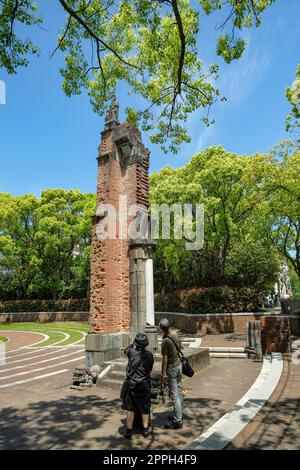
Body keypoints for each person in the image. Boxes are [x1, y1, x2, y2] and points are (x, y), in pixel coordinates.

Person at [121, 333, 154, 440]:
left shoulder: (131, 352)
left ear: (136, 343)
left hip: (132, 384)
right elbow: (150, 369)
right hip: (144, 384)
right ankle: (145, 431)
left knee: (130, 409)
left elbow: (125, 350)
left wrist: (132, 344)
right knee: (145, 408)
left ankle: (129, 431)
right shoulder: (149, 355)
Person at [159, 318, 183, 429]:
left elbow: (165, 360)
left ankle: (178, 420)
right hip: (179, 366)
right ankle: (179, 415)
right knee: (179, 390)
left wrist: (163, 375)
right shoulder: (174, 334)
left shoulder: (165, 341)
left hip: (172, 369)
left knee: (174, 395)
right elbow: (181, 346)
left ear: (160, 328)